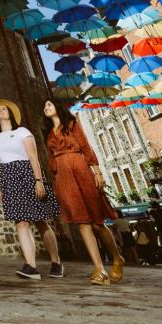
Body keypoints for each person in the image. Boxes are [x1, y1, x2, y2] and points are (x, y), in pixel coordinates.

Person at [42, 100, 125, 286]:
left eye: (49, 105)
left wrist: (97, 172)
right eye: (45, 107)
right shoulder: (49, 134)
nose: (46, 108)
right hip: (63, 176)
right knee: (81, 222)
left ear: (58, 106)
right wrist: (56, 184)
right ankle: (99, 269)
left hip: (80, 170)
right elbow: (51, 162)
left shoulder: (72, 124)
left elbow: (86, 147)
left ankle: (117, 257)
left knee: (97, 223)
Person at [0, 98, 63, 281]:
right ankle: (31, 266)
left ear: (11, 114)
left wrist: (39, 181)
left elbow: (32, 156)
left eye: (4, 109)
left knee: (40, 221)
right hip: (8, 177)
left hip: (27, 173)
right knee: (21, 222)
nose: (1, 111)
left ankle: (56, 261)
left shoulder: (22, 131)